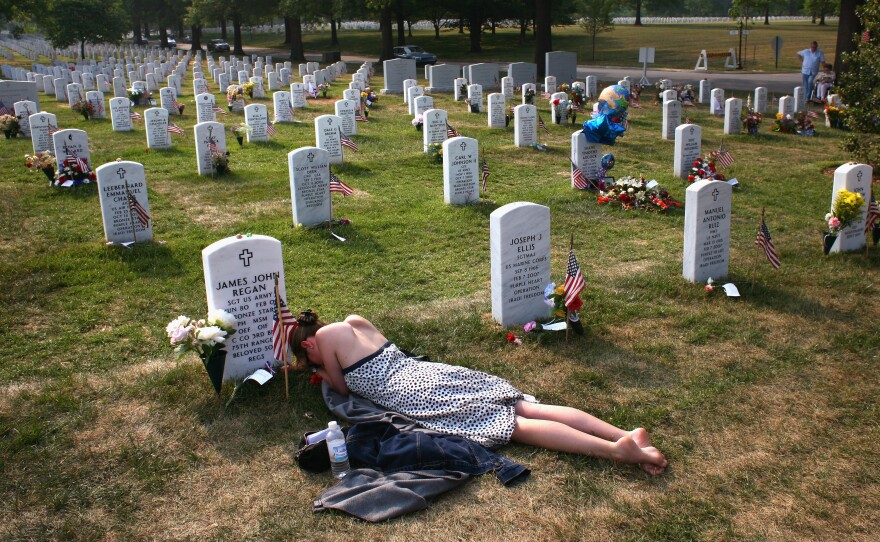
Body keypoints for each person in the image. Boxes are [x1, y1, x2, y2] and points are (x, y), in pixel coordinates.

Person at [291, 310, 669, 475]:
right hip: (427, 371)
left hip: (412, 391)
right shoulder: (356, 321)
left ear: (307, 347)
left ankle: (615, 451)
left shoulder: (324, 341)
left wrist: (322, 371)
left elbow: (341, 388)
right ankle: (625, 435)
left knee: (512, 424)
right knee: (524, 405)